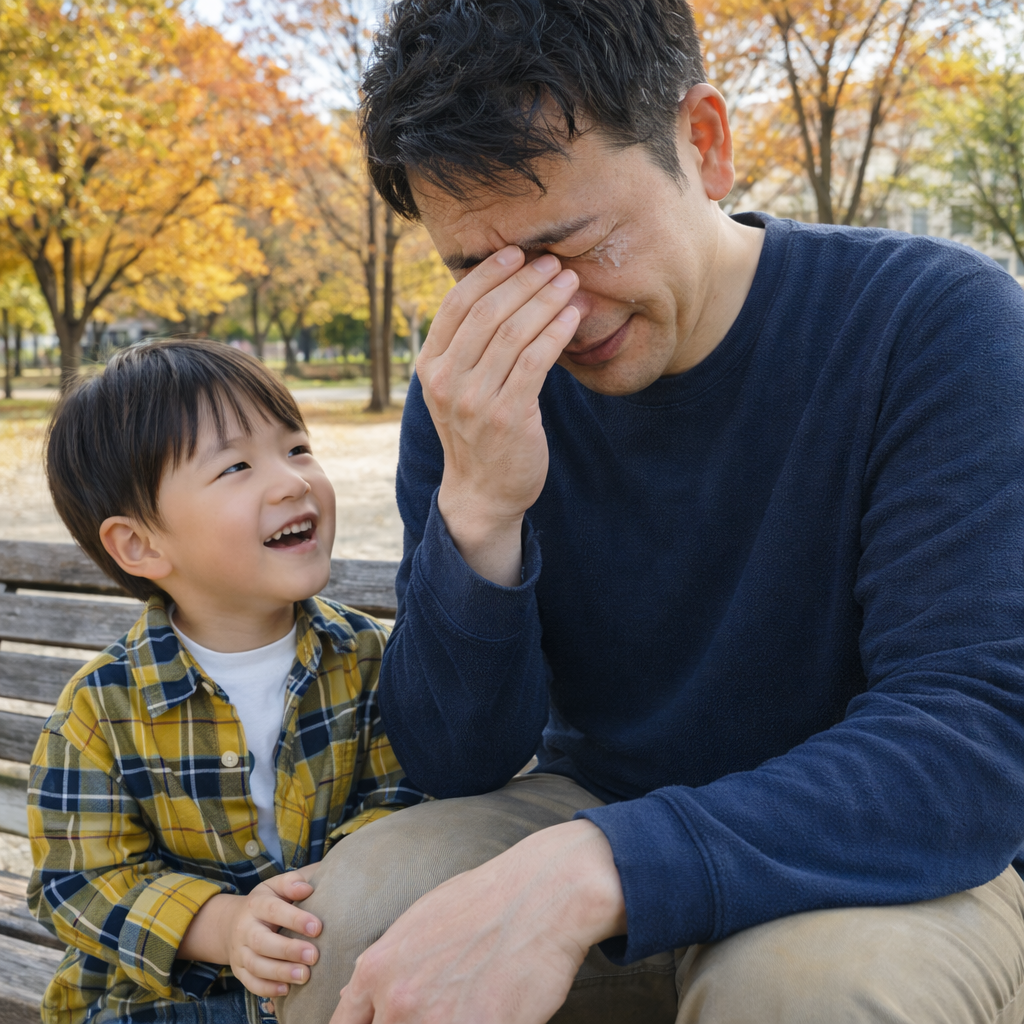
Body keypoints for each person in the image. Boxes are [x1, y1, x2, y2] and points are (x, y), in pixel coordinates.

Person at [279, 1, 1024, 1022]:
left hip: (888, 847)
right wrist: (480, 519)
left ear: (705, 144)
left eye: (574, 243)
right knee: (346, 921)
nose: (551, 314)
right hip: (604, 800)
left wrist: (600, 867)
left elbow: (966, 746)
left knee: (800, 993)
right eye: (477, 270)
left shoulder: (935, 324)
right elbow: (457, 759)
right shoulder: (478, 387)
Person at [26, 340, 425, 1024]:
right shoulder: (102, 709)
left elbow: (401, 795)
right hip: (157, 1000)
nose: (292, 480)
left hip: (325, 969)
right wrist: (223, 923)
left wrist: (327, 895)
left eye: (297, 448)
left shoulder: (364, 657)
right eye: (237, 465)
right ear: (141, 545)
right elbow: (78, 881)